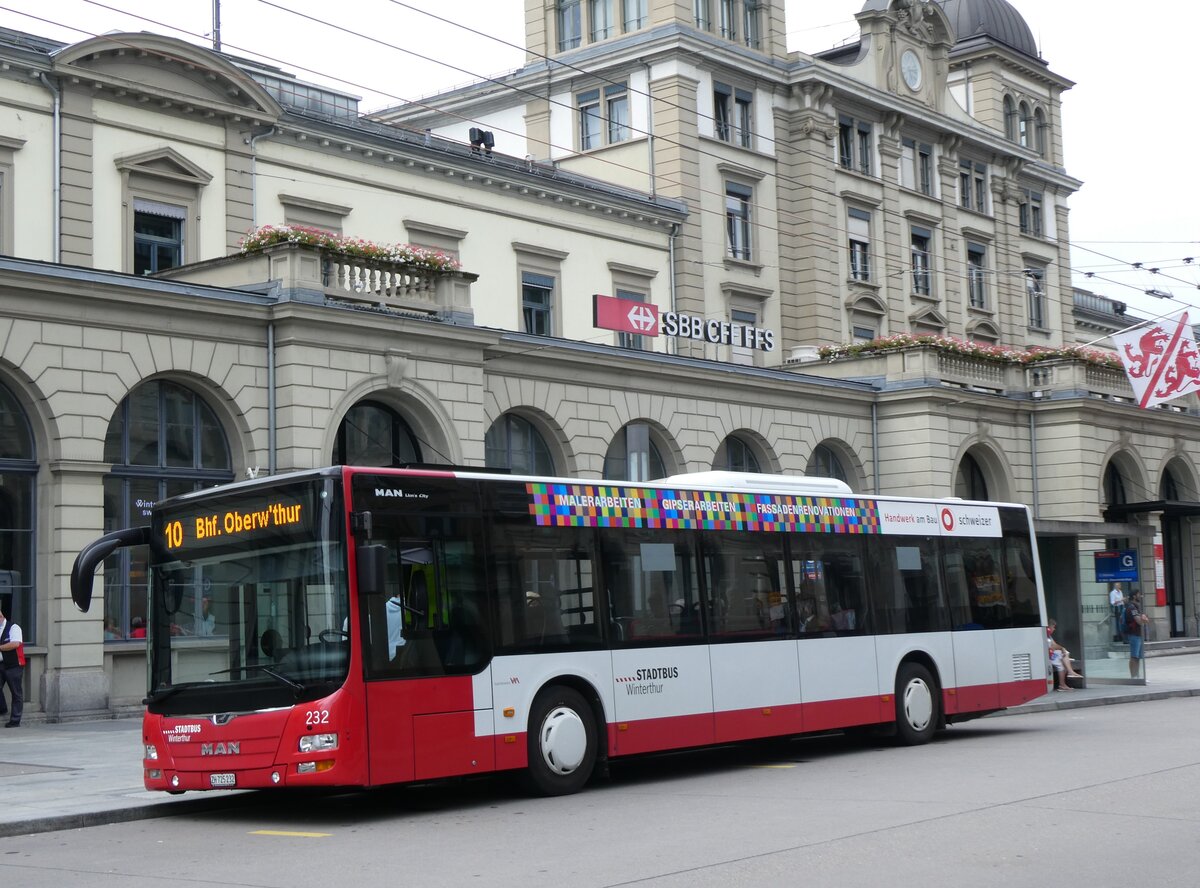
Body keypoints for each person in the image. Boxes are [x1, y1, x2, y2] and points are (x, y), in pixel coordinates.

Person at [0, 603, 25, 727]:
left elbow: (15, 644)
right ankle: (2, 708)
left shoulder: (14, 627)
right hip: (1, 664)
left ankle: (15, 720)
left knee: (16, 693)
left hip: (14, 665)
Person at [1046, 618, 1081, 690]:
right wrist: (1062, 649)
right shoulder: (1045, 635)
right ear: (1049, 627)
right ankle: (1068, 675)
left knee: (1064, 657)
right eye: (1053, 627)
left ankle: (1066, 678)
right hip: (1047, 655)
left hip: (1051, 653)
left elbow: (1054, 645)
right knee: (1061, 664)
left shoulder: (1049, 636)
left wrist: (1062, 649)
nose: (1054, 629)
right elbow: (1053, 646)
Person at [1122, 590, 1151, 679]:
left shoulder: (1136, 607)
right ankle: (1133, 676)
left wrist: (1144, 620)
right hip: (1134, 634)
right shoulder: (1132, 608)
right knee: (1134, 656)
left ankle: (1137, 676)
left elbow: (1143, 620)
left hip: (1138, 634)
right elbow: (1139, 621)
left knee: (1137, 657)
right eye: (1139, 594)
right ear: (1134, 596)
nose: (1140, 596)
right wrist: (1144, 620)